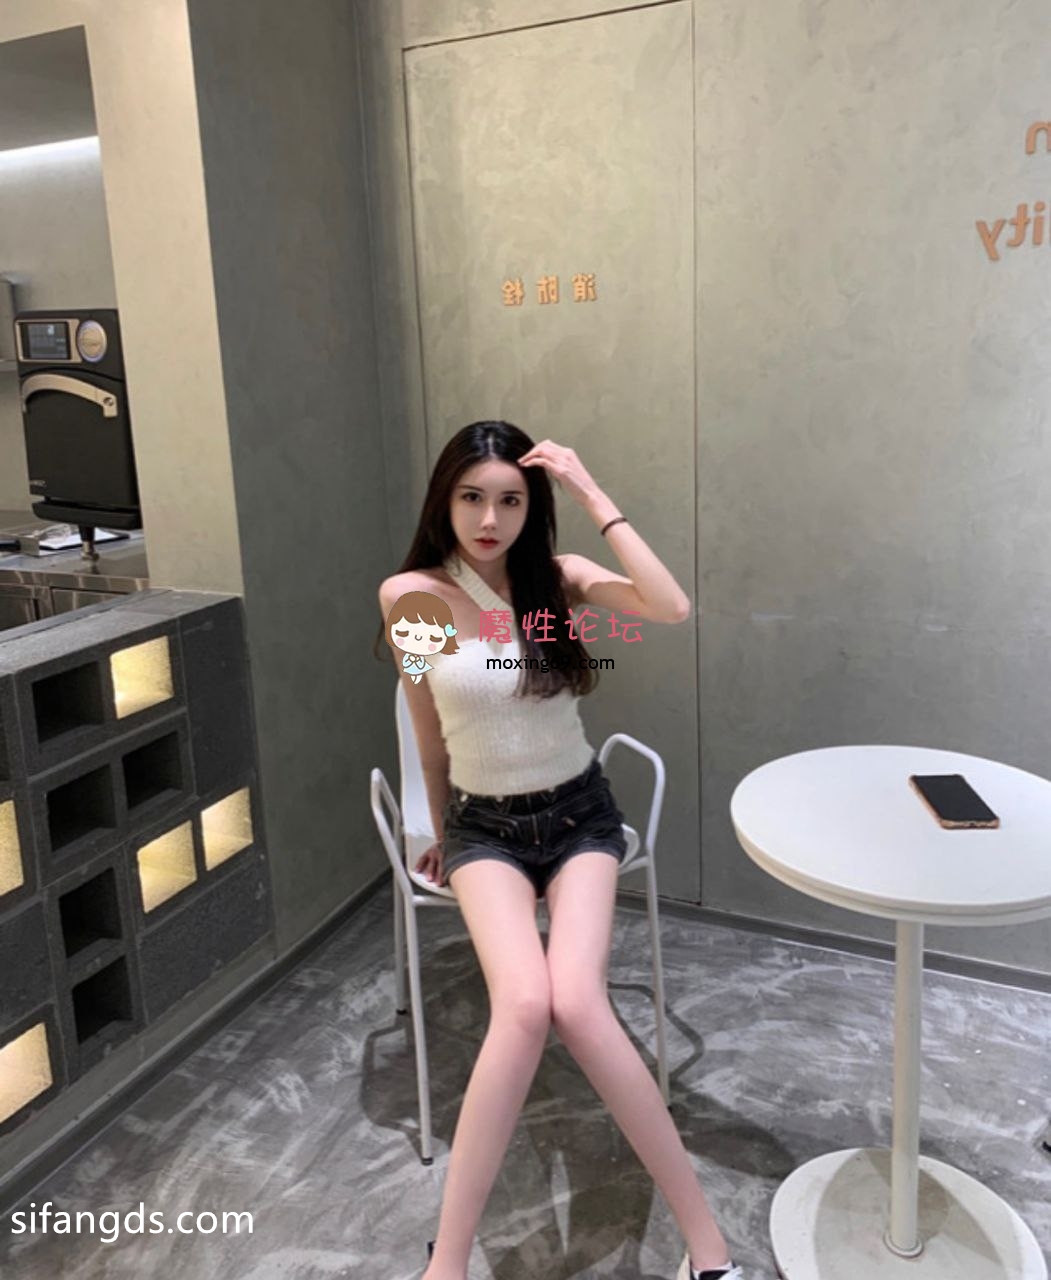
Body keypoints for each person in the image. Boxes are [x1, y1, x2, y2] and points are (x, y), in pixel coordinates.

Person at [376, 421, 743, 1280]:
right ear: (443, 501)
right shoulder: (411, 595)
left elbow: (670, 607)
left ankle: (709, 1249)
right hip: (484, 830)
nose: (489, 518)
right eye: (471, 497)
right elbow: (429, 731)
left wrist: (588, 490)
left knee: (576, 1002)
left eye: (510, 500)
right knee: (523, 1006)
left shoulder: (559, 581)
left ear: (531, 507)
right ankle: (447, 1264)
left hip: (578, 816)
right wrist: (441, 832)